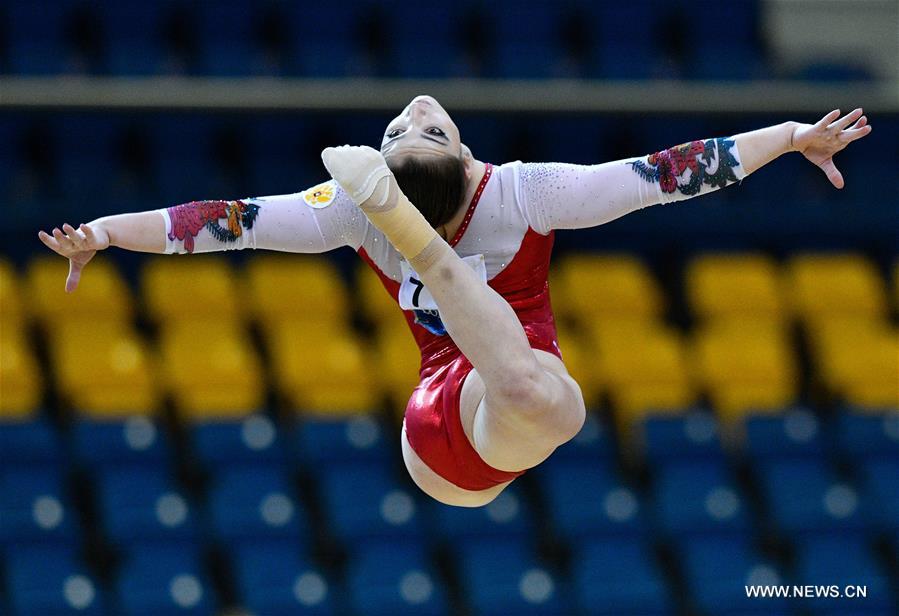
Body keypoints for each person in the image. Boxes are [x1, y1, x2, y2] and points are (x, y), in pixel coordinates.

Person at [39, 97, 871, 507]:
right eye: (415, 130)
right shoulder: (441, 198)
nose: (414, 114)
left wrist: (790, 138)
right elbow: (230, 224)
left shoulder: (513, 193)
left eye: (407, 131)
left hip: (475, 410)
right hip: (449, 422)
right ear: (461, 153)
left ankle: (425, 250)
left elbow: (666, 175)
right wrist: (107, 233)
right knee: (543, 398)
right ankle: (431, 255)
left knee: (528, 389)